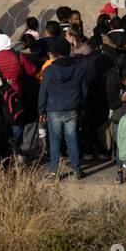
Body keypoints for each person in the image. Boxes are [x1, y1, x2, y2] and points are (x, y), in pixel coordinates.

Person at [38, 39, 85, 179]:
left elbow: (43, 91)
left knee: (55, 140)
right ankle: (77, 170)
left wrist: (41, 110)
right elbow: (85, 91)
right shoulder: (79, 68)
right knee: (72, 138)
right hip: (72, 108)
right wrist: (80, 105)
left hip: (54, 109)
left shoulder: (49, 70)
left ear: (55, 53)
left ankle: (54, 171)